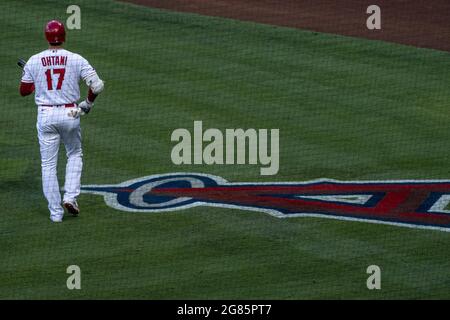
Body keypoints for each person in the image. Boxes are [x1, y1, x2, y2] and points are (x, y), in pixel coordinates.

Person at [19, 20, 104, 222]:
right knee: (74, 153)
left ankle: (55, 214)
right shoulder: (75, 59)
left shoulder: (34, 60)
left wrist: (34, 85)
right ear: (64, 36)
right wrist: (88, 104)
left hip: (46, 115)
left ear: (46, 37)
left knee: (48, 165)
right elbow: (97, 85)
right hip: (71, 113)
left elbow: (24, 91)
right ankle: (71, 197)